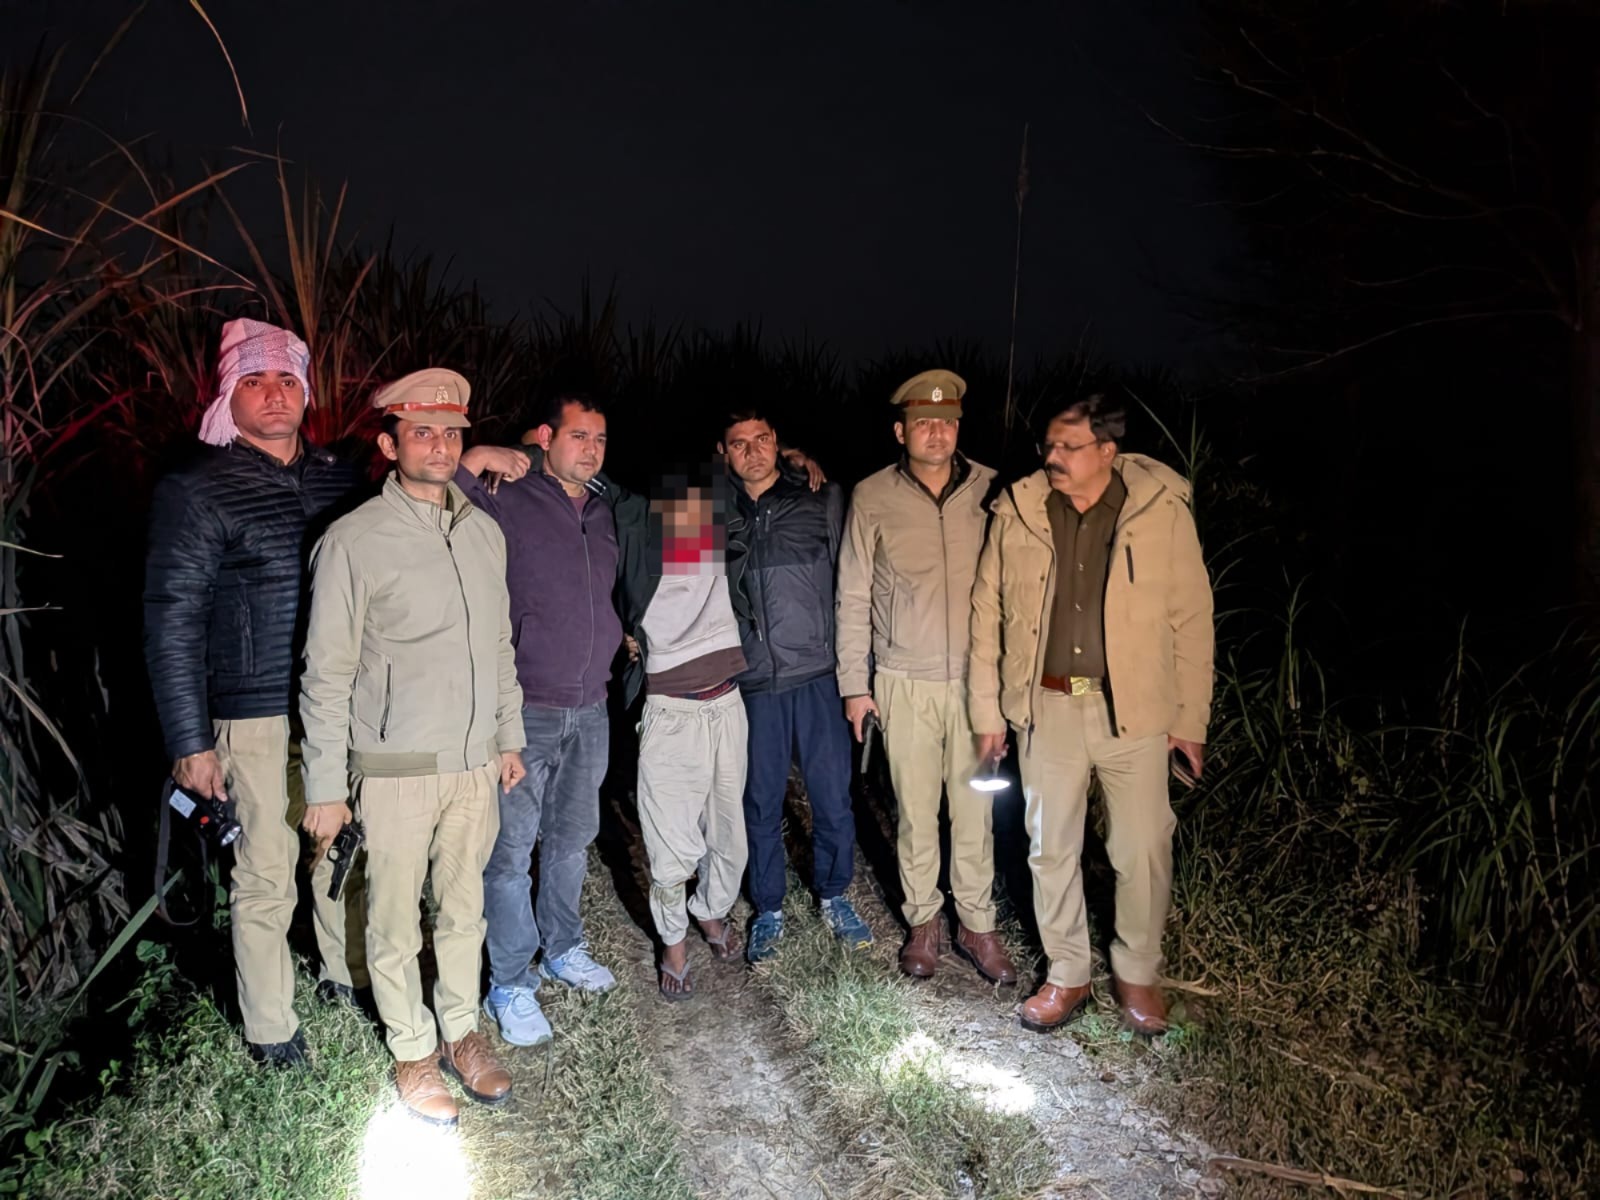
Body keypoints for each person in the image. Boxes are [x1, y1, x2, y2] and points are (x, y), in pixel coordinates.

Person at [299, 368, 526, 1126]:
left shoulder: (484, 532)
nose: (440, 446)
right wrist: (325, 787)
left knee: (463, 911)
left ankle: (461, 1030)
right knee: (394, 923)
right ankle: (412, 1049)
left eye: (452, 432)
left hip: (473, 766)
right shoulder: (353, 541)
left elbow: (499, 645)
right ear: (390, 443)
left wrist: (508, 736)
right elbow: (325, 673)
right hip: (393, 771)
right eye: (422, 432)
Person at [143, 317, 367, 1068]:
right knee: (266, 870)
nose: (274, 394)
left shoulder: (341, 477)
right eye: (253, 380)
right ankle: (272, 1029)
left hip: (336, 706)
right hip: (253, 711)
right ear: (226, 395)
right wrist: (190, 742)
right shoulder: (195, 488)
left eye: (286, 379)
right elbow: (172, 616)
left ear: (305, 391)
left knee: (341, 850)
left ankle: (344, 976)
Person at [969, 393, 1214, 1035]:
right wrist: (988, 713)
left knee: (1143, 847)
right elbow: (986, 615)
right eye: (1048, 445)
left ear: (1106, 450)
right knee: (1050, 848)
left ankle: (1137, 973)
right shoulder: (1020, 510)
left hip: (1132, 710)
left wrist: (1190, 721)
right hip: (1046, 706)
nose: (1053, 457)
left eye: (1068, 447)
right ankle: (1067, 972)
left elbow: (1192, 617)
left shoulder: (1159, 509)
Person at [835, 370, 1017, 984]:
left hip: (975, 682)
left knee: (975, 811)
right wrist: (855, 687)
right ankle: (923, 921)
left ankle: (977, 924)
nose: (936, 432)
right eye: (923, 423)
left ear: (959, 427)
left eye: (947, 421)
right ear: (900, 431)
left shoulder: (993, 489)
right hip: (903, 679)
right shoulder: (871, 496)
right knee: (915, 812)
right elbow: (853, 594)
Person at [456, 393, 623, 1050]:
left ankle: (562, 946)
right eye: (579, 436)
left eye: (600, 439)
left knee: (572, 840)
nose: (591, 449)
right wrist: (478, 453)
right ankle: (509, 980)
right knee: (509, 851)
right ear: (547, 437)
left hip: (592, 706)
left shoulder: (603, 510)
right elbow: (443, 498)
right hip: (525, 707)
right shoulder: (510, 497)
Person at [720, 406, 872, 961]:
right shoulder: (712, 511)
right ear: (723, 453)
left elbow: (852, 586)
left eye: (762, 439)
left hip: (817, 677)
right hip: (753, 682)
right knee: (759, 801)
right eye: (739, 444)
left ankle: (834, 895)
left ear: (777, 441)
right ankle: (769, 907)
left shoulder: (821, 498)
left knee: (831, 797)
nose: (753, 452)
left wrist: (857, 673)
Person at [622, 467, 749, 999]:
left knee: (730, 838)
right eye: (677, 509)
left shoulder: (721, 548)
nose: (691, 520)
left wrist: (794, 456)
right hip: (671, 713)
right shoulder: (640, 554)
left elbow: (752, 482)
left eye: (701, 507)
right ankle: (673, 942)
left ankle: (711, 910)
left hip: (727, 706)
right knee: (670, 846)